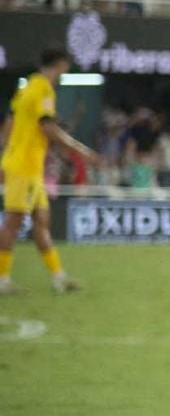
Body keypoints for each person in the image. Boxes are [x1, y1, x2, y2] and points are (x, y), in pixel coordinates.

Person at [0, 48, 98, 294]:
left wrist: (6, 155)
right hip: (25, 166)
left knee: (41, 221)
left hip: (24, 165)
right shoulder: (43, 88)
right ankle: (2, 279)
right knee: (13, 223)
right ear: (61, 64)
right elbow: (48, 127)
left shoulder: (26, 88)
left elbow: (9, 124)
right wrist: (80, 149)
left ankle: (58, 277)